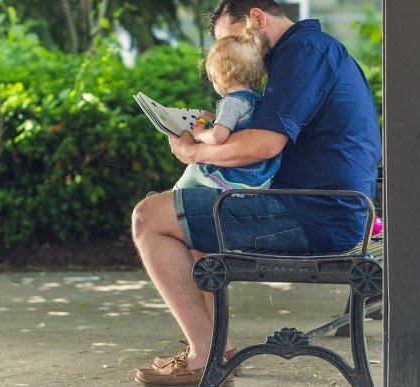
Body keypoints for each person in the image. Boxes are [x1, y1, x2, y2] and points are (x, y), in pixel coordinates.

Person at [132, 1, 382, 386]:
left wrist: (193, 151)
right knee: (192, 223)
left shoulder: (304, 52)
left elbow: (264, 145)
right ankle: (218, 352)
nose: (230, 56)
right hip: (325, 208)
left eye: (232, 41)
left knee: (149, 216)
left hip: (314, 214)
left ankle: (203, 356)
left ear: (257, 18)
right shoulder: (307, 51)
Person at [175, 27, 281, 190]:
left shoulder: (231, 103)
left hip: (240, 176)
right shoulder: (256, 99)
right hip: (261, 174)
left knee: (194, 170)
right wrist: (213, 120)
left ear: (220, 76)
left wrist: (200, 133)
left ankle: (173, 196)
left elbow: (218, 137)